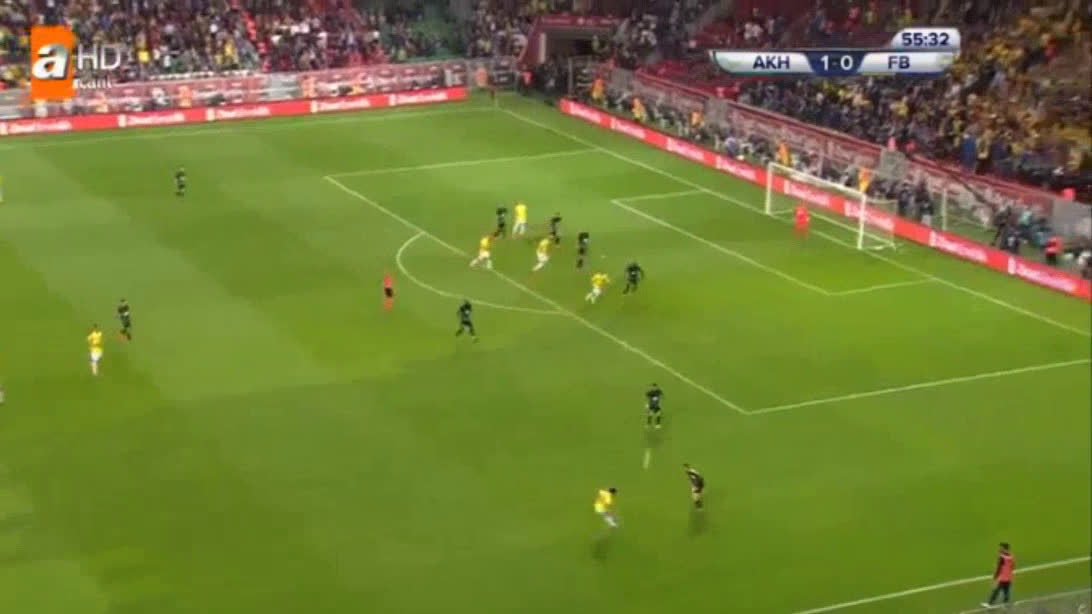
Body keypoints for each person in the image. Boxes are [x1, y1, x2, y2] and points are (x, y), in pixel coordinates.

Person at [981, 543, 1014, 608]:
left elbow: (999, 568)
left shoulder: (1002, 557)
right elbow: (1012, 566)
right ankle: (1006, 603)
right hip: (1009, 577)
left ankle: (990, 603)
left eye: (1001, 548)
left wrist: (995, 577)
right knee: (1006, 590)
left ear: (1004, 548)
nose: (999, 549)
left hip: (1003, 577)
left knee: (996, 590)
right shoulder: (1011, 556)